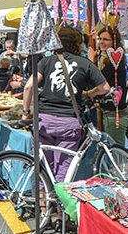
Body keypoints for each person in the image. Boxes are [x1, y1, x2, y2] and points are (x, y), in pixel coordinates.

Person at [22, 26, 110, 182]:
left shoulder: (46, 61)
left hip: (44, 121)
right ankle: (59, 196)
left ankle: (43, 196)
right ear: (78, 44)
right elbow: (105, 88)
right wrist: (89, 93)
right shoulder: (85, 63)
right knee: (63, 170)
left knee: (43, 168)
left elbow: (29, 86)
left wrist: (25, 112)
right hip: (69, 122)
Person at [87, 25, 128, 146]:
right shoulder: (104, 58)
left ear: (114, 41)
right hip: (109, 113)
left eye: (105, 39)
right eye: (100, 38)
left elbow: (98, 81)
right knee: (110, 148)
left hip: (115, 115)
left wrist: (91, 62)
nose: (101, 42)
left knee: (115, 150)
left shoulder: (113, 61)